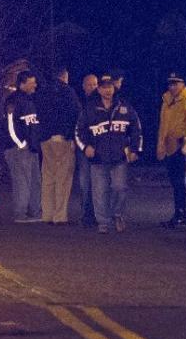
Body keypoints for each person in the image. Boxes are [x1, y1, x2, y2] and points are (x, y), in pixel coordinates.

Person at [76, 74, 142, 234]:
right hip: (98, 158)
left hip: (119, 157)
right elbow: (78, 131)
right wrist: (86, 147)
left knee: (120, 187)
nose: (107, 90)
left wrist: (135, 149)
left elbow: (136, 130)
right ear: (99, 89)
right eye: (104, 87)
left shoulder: (124, 107)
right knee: (99, 191)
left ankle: (117, 214)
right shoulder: (90, 109)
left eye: (110, 87)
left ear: (114, 88)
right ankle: (103, 222)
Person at [156, 72, 186, 228]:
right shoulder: (167, 102)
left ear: (183, 84)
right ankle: (178, 214)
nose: (173, 86)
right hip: (170, 147)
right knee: (176, 183)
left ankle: (185, 216)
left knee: (183, 183)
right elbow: (163, 126)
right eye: (171, 83)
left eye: (176, 83)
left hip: (182, 148)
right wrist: (161, 145)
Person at [37, 68, 80, 224]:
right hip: (62, 138)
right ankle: (59, 216)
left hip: (45, 139)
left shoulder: (41, 92)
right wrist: (72, 136)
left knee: (48, 176)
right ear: (64, 76)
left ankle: (46, 214)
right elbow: (75, 114)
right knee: (63, 178)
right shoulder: (68, 92)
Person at [3, 70, 43, 223]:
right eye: (32, 82)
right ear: (23, 83)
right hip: (19, 149)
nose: (35, 85)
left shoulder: (29, 100)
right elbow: (10, 125)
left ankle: (35, 212)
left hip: (31, 148)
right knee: (22, 181)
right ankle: (20, 213)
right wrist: (20, 144)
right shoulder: (13, 101)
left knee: (34, 180)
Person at [76, 73, 99, 226]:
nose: (92, 87)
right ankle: (87, 214)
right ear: (83, 86)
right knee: (85, 183)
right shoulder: (80, 103)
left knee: (100, 183)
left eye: (94, 84)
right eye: (89, 84)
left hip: (100, 148)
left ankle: (99, 214)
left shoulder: (101, 102)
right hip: (84, 148)